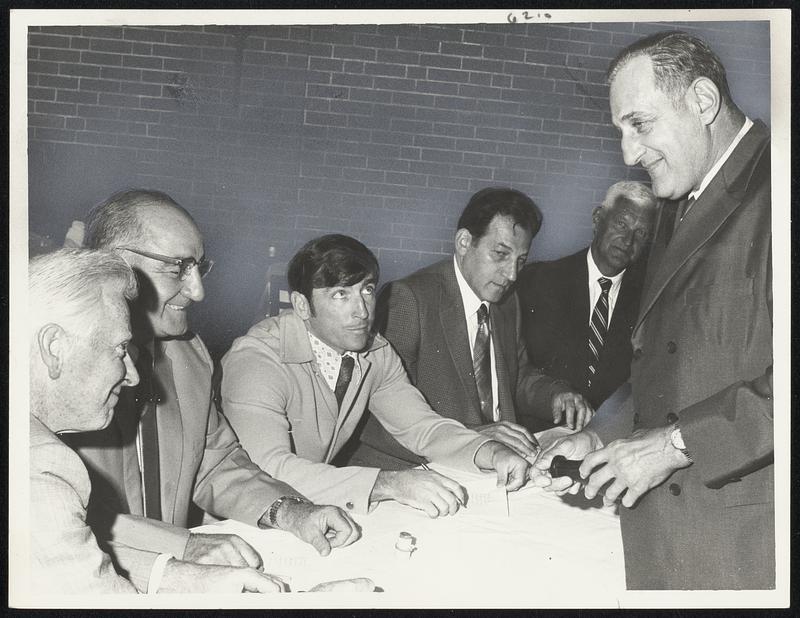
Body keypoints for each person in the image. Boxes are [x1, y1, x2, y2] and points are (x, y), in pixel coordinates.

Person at [534, 31, 773, 590]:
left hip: (747, 549)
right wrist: (597, 434)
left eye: (639, 124)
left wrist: (673, 444)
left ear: (702, 102)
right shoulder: (674, 205)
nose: (628, 153)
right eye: (620, 131)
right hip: (668, 541)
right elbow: (666, 363)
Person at [64, 190, 360, 593]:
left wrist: (288, 511)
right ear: (113, 263)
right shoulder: (59, 367)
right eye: (177, 268)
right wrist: (183, 547)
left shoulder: (189, 355)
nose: (199, 290)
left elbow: (215, 462)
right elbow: (63, 516)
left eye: (199, 267)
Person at [220, 234, 530, 517]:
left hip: (311, 509)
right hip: (245, 518)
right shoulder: (258, 359)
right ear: (302, 304)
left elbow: (420, 426)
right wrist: (387, 484)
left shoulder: (374, 351)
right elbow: (268, 470)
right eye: (340, 294)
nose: (362, 311)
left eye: (366, 290)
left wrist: (487, 451)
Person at [29, 249, 283, 593]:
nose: (133, 376)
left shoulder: (191, 355)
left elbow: (55, 552)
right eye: (120, 351)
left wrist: (176, 574)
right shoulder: (40, 464)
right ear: (55, 347)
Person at [342, 187, 594, 471]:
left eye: (520, 261)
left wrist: (555, 396)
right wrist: (471, 437)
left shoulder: (507, 303)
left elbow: (517, 377)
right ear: (464, 242)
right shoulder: (409, 299)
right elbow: (382, 413)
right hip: (416, 470)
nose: (512, 274)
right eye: (500, 254)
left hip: (496, 465)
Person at [518, 181, 657, 412]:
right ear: (598, 218)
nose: (628, 240)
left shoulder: (650, 301)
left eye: (640, 232)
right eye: (621, 223)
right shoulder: (537, 281)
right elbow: (517, 371)